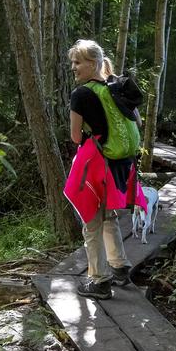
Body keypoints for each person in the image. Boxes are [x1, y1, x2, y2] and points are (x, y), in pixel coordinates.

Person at [67, 39, 138, 300]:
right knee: (109, 216)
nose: (74, 67)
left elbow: (76, 137)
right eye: (73, 62)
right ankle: (119, 266)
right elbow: (136, 120)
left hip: (98, 163)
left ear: (93, 63)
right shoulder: (115, 86)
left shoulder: (81, 94)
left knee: (92, 222)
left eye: (78, 62)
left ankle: (99, 281)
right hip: (121, 162)